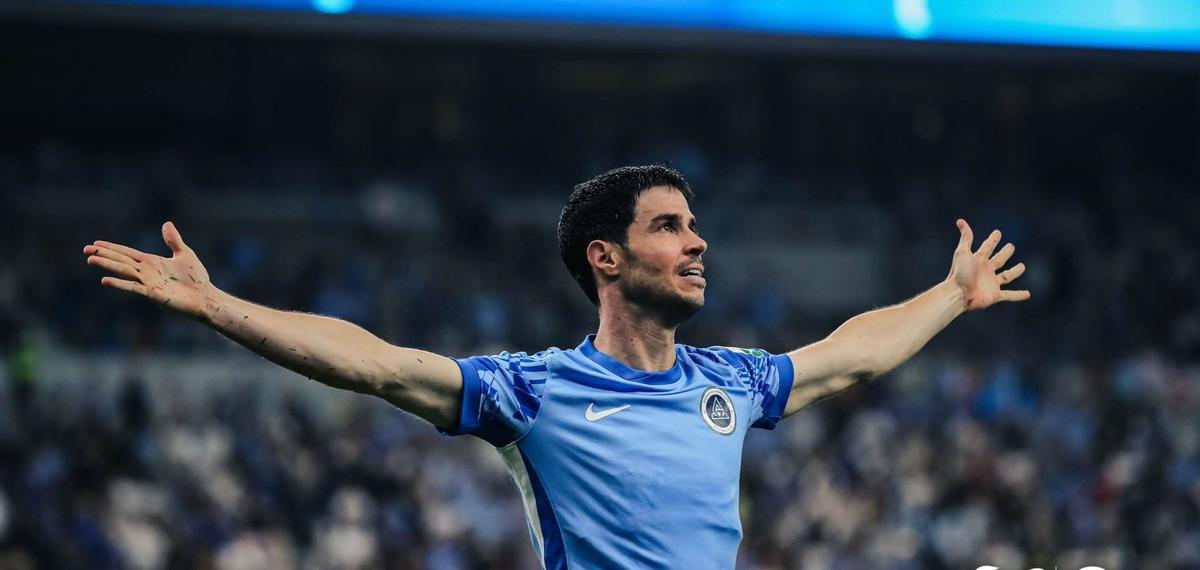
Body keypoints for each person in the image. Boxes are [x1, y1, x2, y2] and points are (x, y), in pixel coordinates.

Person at [82, 165, 1029, 568]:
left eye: (695, 226)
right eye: (669, 226)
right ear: (605, 259)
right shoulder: (535, 391)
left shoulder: (732, 383)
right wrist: (216, 305)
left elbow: (848, 356)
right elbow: (375, 364)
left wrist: (950, 295)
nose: (698, 244)